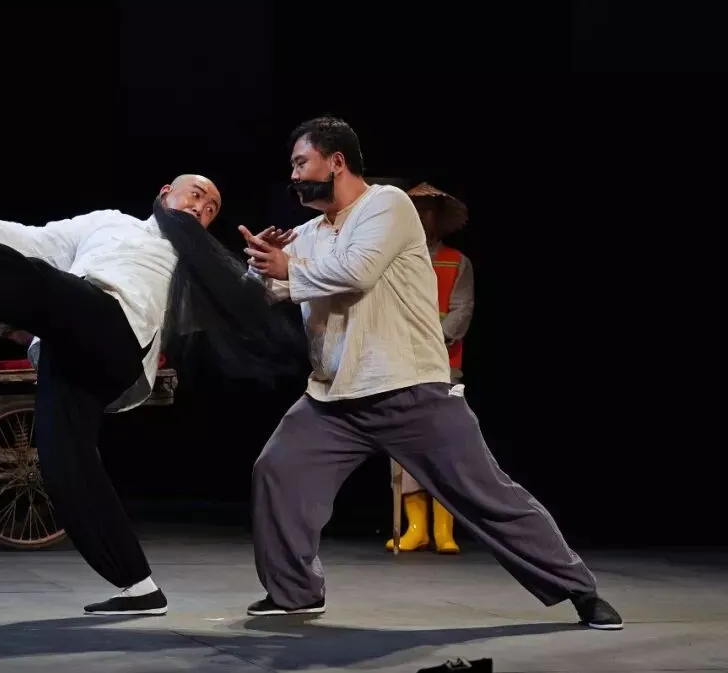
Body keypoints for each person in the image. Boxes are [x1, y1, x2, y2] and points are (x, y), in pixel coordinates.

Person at [239, 116, 623, 630]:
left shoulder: (387, 205)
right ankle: (295, 592)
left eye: (301, 163)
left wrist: (289, 268)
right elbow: (274, 292)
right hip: (333, 397)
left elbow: (357, 272)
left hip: (408, 387)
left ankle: (578, 590)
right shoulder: (307, 234)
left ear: (336, 161)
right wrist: (261, 264)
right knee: (278, 470)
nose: (294, 175)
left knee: (486, 496)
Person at [0, 174, 306, 616]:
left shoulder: (194, 261)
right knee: (64, 464)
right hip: (67, 344)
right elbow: (33, 240)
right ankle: (138, 586)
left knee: (53, 288)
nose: (201, 209)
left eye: (211, 208)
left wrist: (258, 270)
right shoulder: (108, 222)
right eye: (196, 196)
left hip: (115, 336)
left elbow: (236, 302)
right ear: (165, 193)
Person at [386, 182, 474, 554]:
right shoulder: (393, 259)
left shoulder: (456, 260)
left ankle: (444, 528)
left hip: (442, 363)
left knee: (445, 443)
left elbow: (461, 309)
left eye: (427, 212)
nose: (422, 218)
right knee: (404, 443)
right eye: (415, 211)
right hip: (400, 362)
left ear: (438, 219)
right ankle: (416, 526)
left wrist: (433, 338)